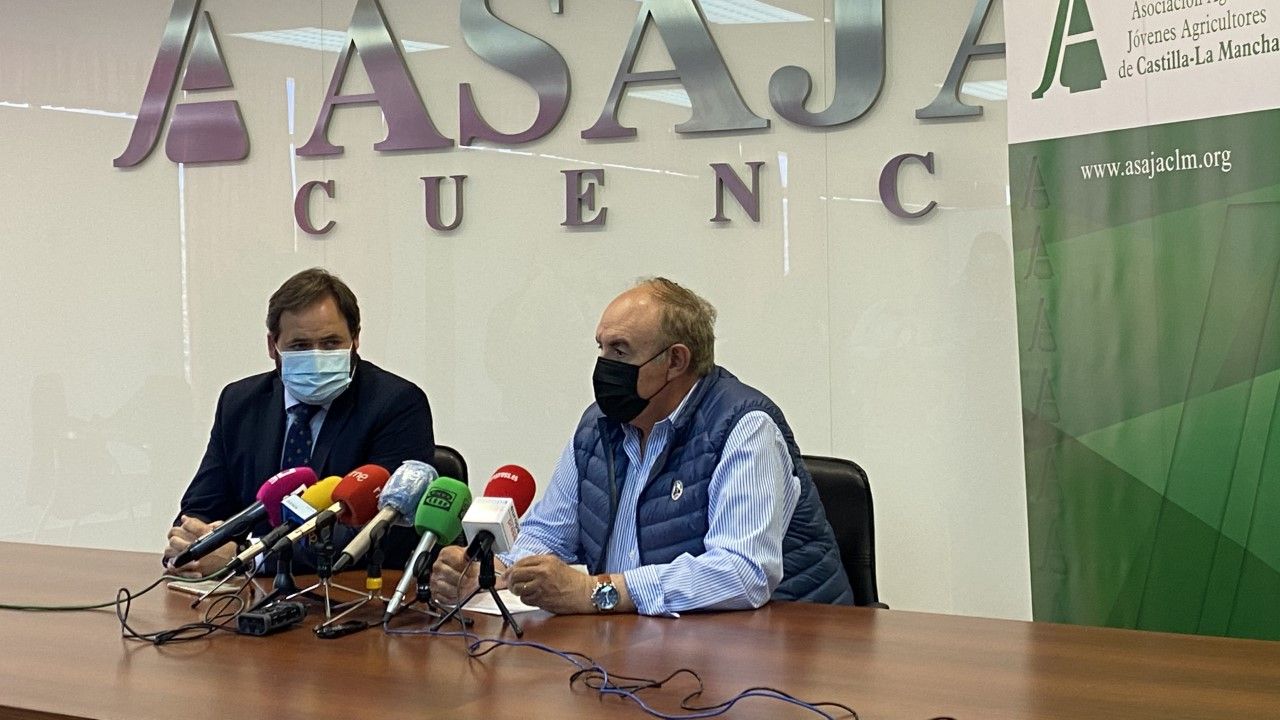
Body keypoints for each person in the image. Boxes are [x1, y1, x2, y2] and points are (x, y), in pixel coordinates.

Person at [432, 278, 852, 615]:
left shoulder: (743, 427)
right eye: (601, 347)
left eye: (620, 350)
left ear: (675, 361)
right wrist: (492, 572)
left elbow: (742, 573)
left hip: (787, 648)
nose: (604, 366)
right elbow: (549, 532)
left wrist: (596, 592)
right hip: (644, 644)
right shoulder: (598, 426)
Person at [164, 268, 434, 578]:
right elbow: (202, 506)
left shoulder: (395, 403)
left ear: (355, 339)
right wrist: (193, 542)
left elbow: (382, 529)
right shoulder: (240, 403)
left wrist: (247, 557)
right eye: (300, 346)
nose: (316, 357)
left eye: (330, 343)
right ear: (272, 346)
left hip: (349, 589)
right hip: (250, 594)